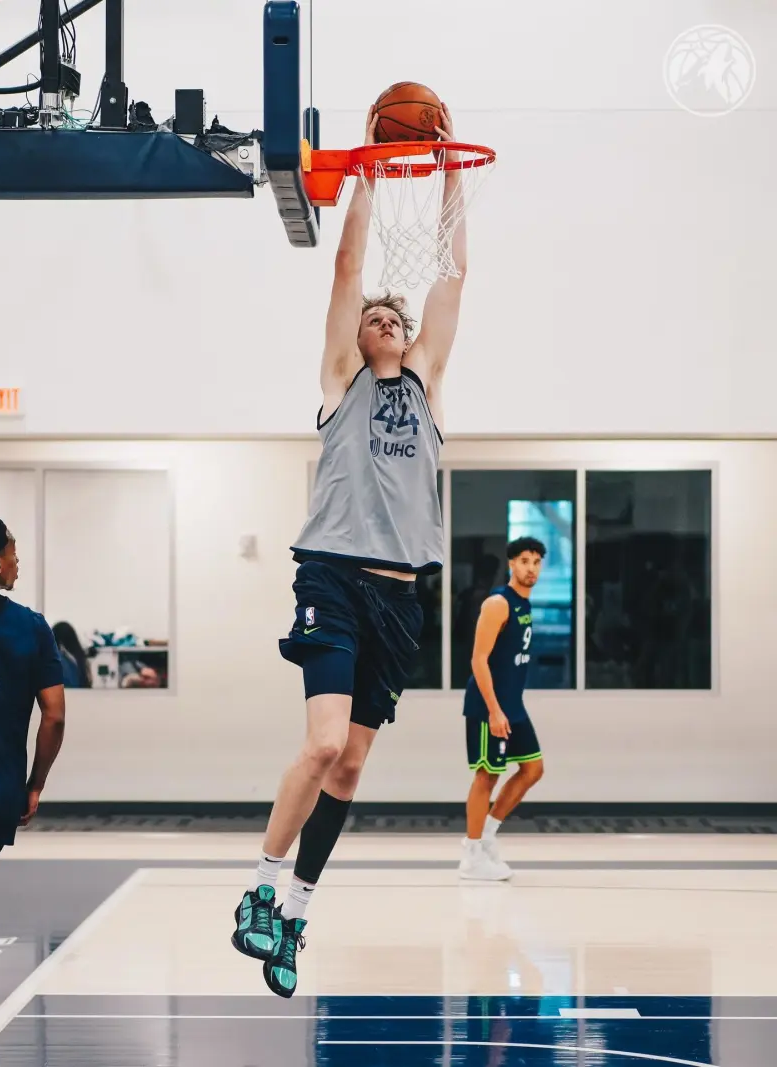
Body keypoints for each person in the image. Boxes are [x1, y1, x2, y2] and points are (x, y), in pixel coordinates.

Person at [231, 102, 467, 998]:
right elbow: (348, 268)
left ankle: (293, 911)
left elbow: (452, 279)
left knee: (357, 762)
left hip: (401, 595)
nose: (385, 322)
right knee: (324, 742)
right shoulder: (342, 386)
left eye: (393, 320)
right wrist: (370, 169)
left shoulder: (432, 390)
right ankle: (256, 886)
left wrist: (449, 177)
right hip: (330, 572)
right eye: (374, 319)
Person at [0, 517, 66, 1067]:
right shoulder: (31, 627)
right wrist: (34, 784)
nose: (17, 562)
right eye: (12, 553)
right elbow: (53, 715)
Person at [459, 537, 547, 881]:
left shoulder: (525, 605)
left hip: (513, 705)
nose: (531, 568)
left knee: (533, 769)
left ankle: (488, 837)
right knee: (487, 774)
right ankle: (471, 854)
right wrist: (494, 710)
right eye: (525, 560)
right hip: (488, 706)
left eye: (537, 562)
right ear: (511, 563)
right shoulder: (498, 603)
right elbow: (478, 660)